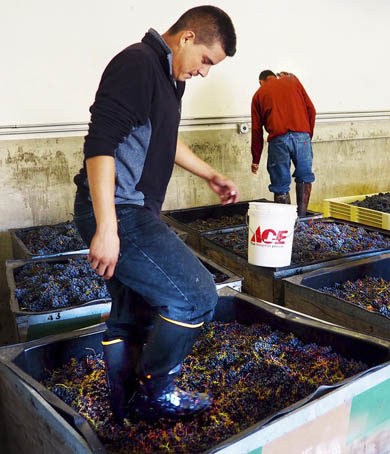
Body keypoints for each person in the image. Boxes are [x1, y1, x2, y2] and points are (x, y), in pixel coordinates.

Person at [72, 5, 238, 421]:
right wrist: (108, 226)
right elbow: (100, 144)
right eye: (205, 60)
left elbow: (164, 139)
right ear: (186, 38)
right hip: (120, 211)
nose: (204, 72)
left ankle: (124, 408)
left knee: (134, 315)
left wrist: (211, 175)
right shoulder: (138, 64)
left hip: (130, 209)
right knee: (196, 296)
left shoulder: (167, 78)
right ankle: (156, 393)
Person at [250, 70, 316, 215]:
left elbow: (256, 129)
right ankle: (302, 218)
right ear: (274, 76)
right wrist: (307, 136)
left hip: (278, 141)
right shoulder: (293, 81)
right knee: (305, 177)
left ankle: (287, 221)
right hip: (302, 137)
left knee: (280, 185)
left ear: (261, 81)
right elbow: (311, 110)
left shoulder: (259, 94)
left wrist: (256, 159)